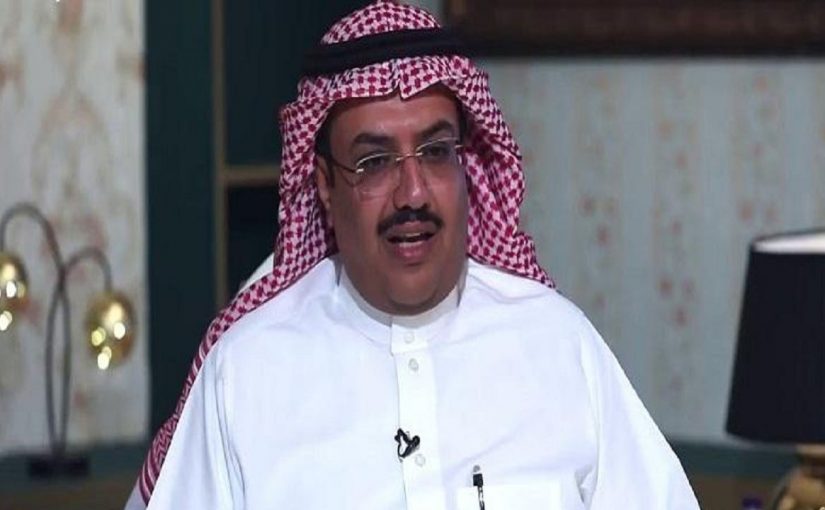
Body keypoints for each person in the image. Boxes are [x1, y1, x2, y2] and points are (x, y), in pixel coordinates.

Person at [127, 1, 700, 508]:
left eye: (435, 152)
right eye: (374, 162)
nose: (414, 194)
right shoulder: (246, 374)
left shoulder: (558, 344)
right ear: (324, 184)